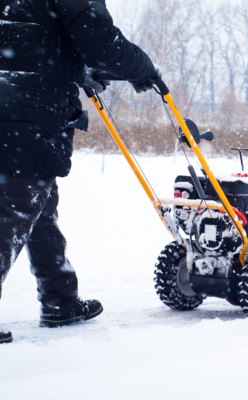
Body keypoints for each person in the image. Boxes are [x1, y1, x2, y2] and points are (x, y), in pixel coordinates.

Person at [0, 0, 160, 344]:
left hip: (11, 101)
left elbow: (24, 33)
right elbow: (99, 41)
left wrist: (72, 68)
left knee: (35, 202)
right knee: (15, 207)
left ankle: (60, 299)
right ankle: (60, 299)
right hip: (30, 111)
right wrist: (143, 68)